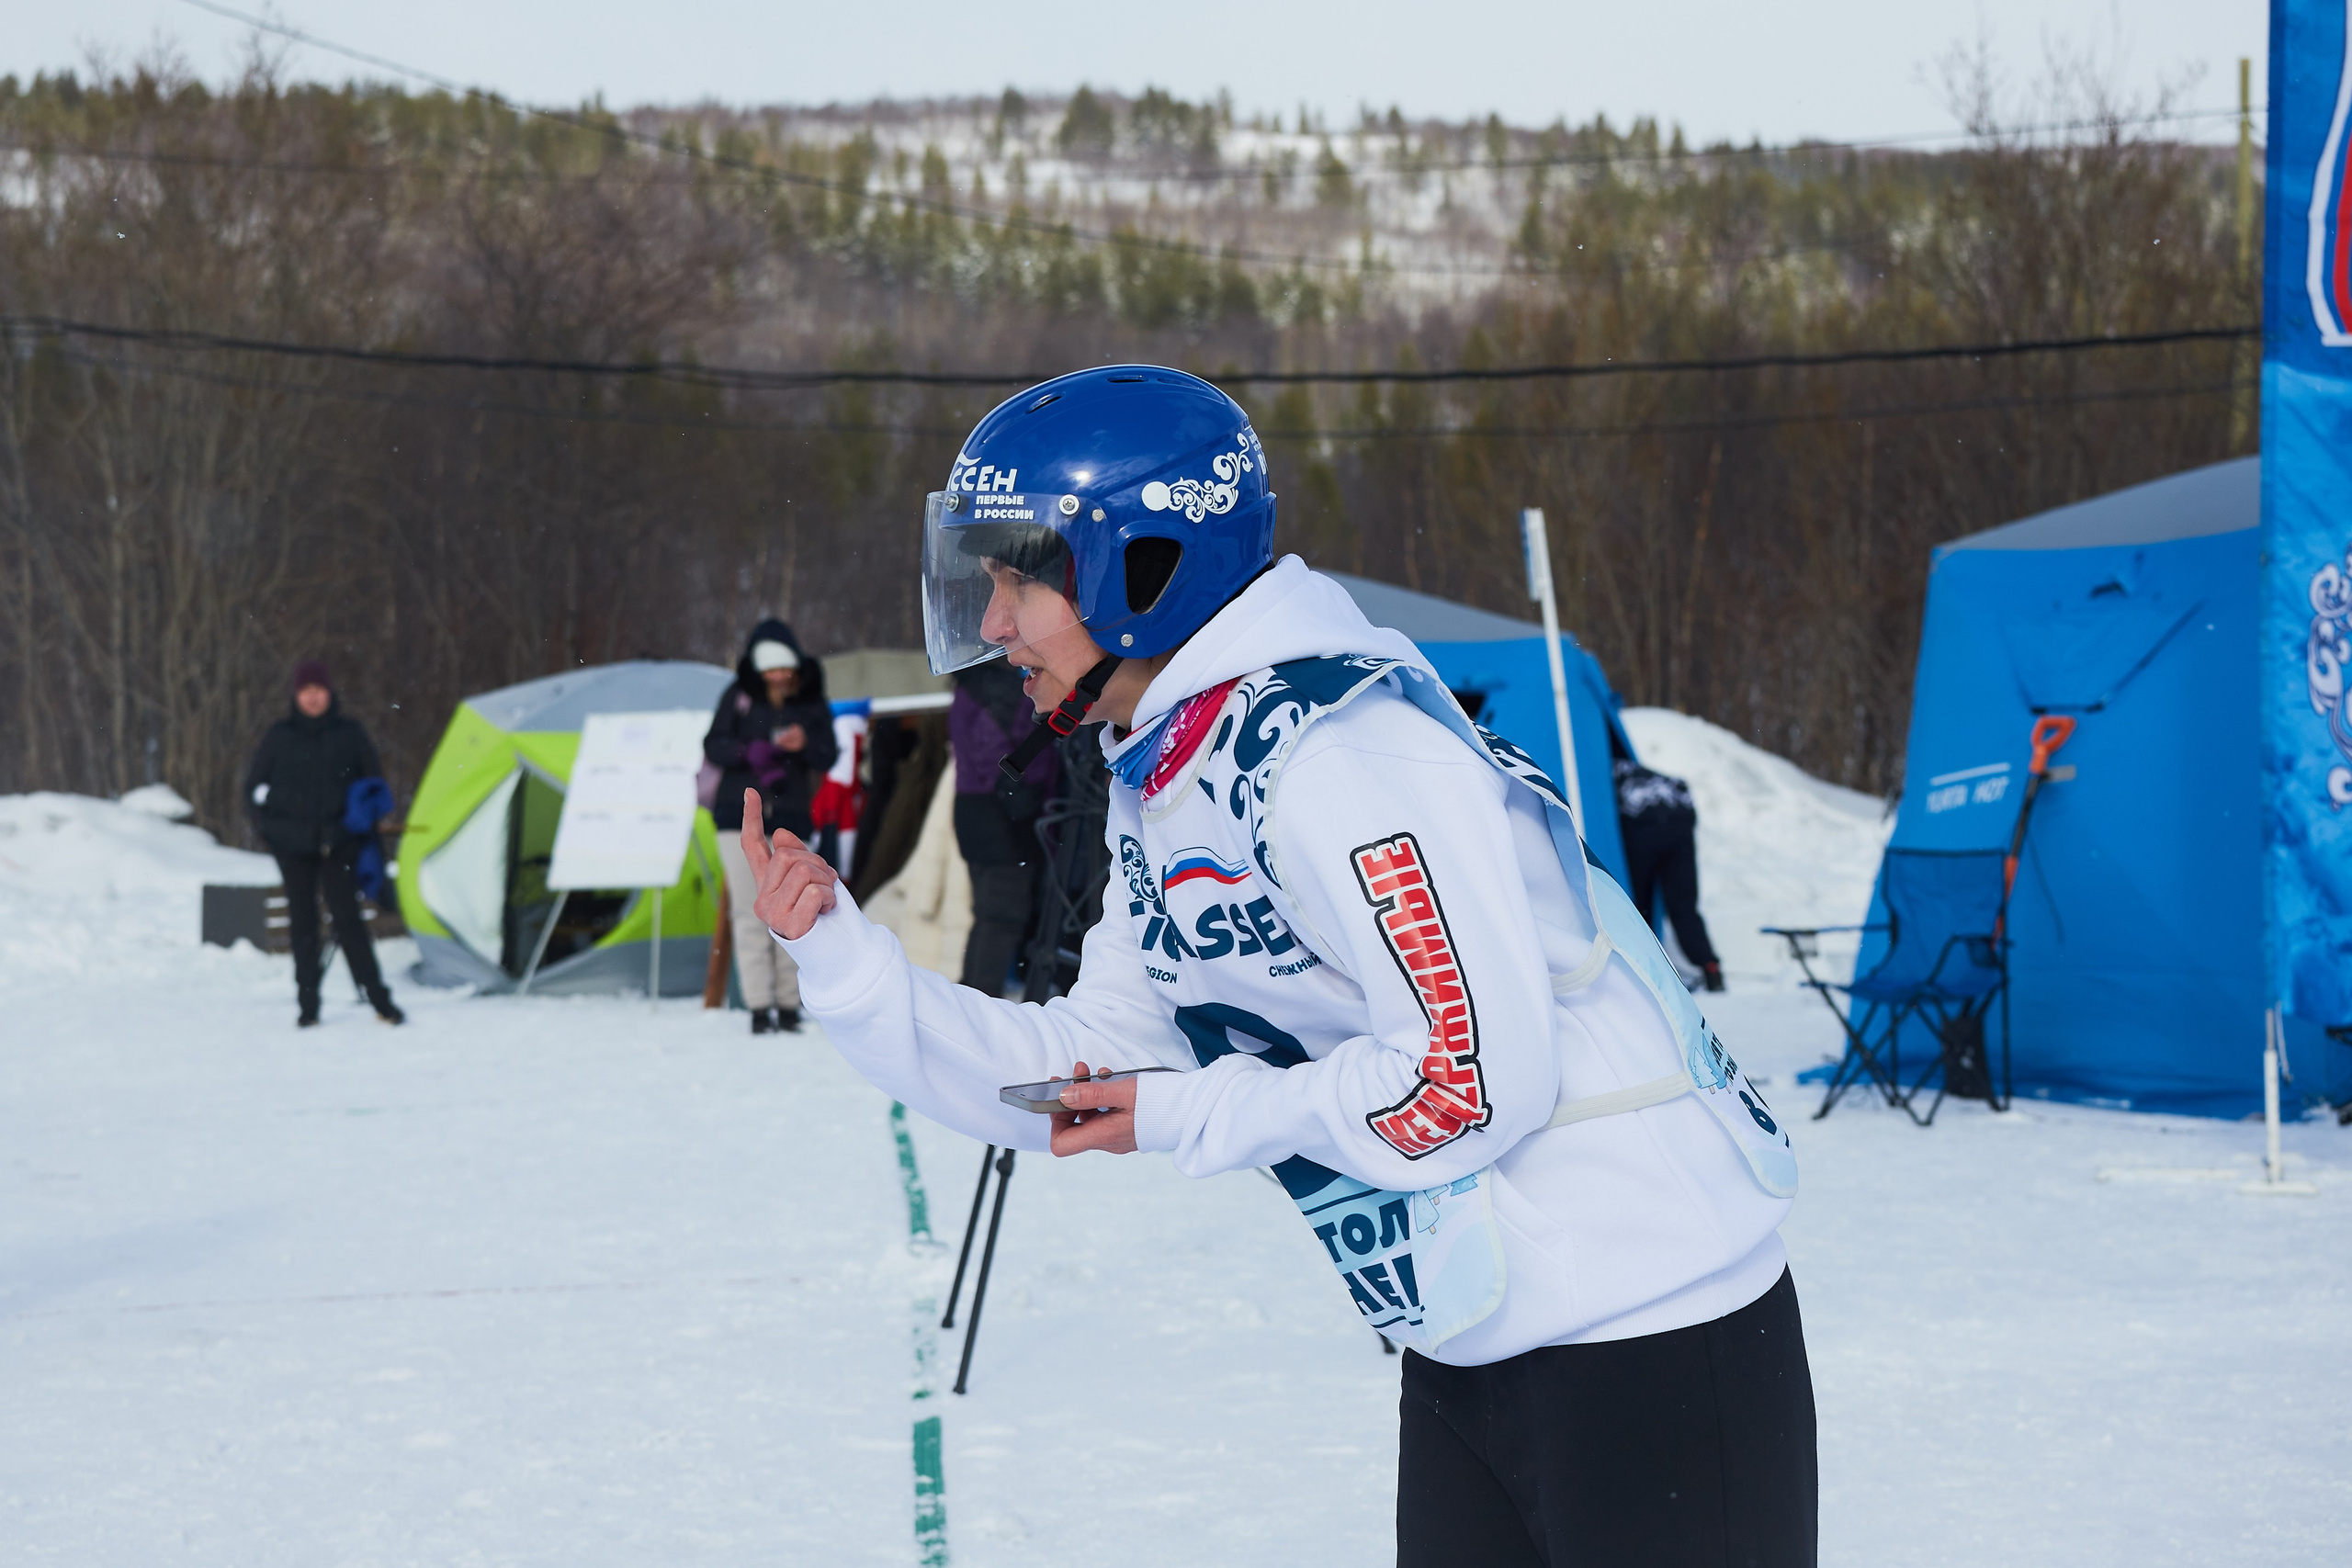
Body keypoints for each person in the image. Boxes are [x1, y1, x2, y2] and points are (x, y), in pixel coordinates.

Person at [739, 367, 1814, 1566]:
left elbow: (1469, 1083)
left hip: (1654, 1324)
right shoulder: (1165, 772)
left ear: (1142, 567)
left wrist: (1195, 1110)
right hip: (1475, 1330)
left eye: (1019, 576)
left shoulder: (1340, 752)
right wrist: (845, 964)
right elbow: (1087, 1075)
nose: (992, 623)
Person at [243, 659, 403, 1028]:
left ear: (329, 694)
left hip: (341, 844)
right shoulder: (279, 736)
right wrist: (271, 833)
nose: (313, 698)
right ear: (296, 695)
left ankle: (379, 998)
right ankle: (308, 1005)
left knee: (349, 922)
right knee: (303, 926)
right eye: (306, 691)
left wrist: (355, 829)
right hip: (292, 848)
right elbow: (252, 790)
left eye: (319, 690)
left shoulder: (350, 734)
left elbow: (373, 787)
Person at [705, 619, 838, 1033]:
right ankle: (759, 1005)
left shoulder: (811, 700)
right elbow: (714, 744)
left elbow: (828, 754)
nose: (780, 678)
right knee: (749, 912)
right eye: (772, 670)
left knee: (796, 909)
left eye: (785, 669)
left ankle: (789, 1002)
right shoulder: (738, 696)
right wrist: (751, 749)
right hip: (738, 817)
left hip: (792, 816)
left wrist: (805, 744)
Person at [948, 659, 1054, 996]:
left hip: (976, 809)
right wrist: (1019, 791)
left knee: (988, 912)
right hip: (1001, 813)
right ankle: (981, 997)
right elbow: (995, 751)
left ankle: (974, 994)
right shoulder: (994, 688)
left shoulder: (970, 685)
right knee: (1002, 914)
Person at [1614, 757, 1726, 993]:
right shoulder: (1651, 776)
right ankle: (1710, 968)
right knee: (1684, 906)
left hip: (1640, 824)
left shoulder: (1605, 771)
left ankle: (1642, 969)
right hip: (1679, 818)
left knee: (1637, 904)